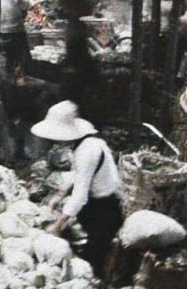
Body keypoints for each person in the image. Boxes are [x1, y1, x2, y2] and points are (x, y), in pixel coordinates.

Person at [34, 100, 123, 277]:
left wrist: (58, 224)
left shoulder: (87, 151)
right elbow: (80, 176)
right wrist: (59, 195)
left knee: (92, 262)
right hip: (97, 204)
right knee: (81, 242)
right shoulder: (87, 143)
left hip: (104, 208)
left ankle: (102, 284)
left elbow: (80, 195)